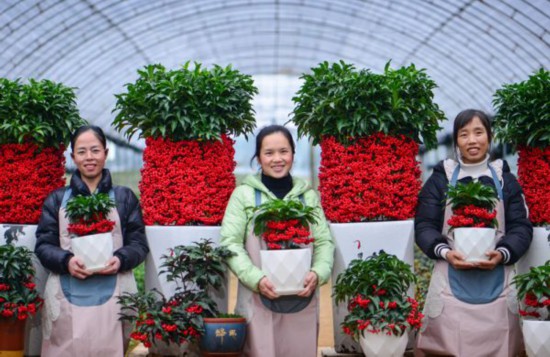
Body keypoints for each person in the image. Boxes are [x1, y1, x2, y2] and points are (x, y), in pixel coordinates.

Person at [415, 109, 532, 356]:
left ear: (489, 137)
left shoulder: (504, 180)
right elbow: (424, 226)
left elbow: (521, 227)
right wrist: (445, 252)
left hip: (499, 283)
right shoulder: (441, 179)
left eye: (479, 132)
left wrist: (502, 253)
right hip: (450, 283)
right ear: (456, 140)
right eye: (464, 134)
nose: (472, 140)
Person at [220, 125, 335, 357]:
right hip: (257, 297)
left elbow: (323, 242)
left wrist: (318, 272)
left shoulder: (308, 196)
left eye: (284, 151)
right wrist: (256, 278)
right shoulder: (244, 195)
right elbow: (230, 243)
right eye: (269, 153)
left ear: (293, 153)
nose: (277, 159)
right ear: (259, 157)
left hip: (301, 296)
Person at [35, 125, 149, 356]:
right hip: (66, 293)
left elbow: (138, 243)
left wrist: (120, 259)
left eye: (95, 150)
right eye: (82, 151)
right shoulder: (57, 199)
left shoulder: (124, 197)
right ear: (73, 156)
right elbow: (44, 245)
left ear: (105, 153)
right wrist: (66, 261)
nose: (89, 157)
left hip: (114, 291)